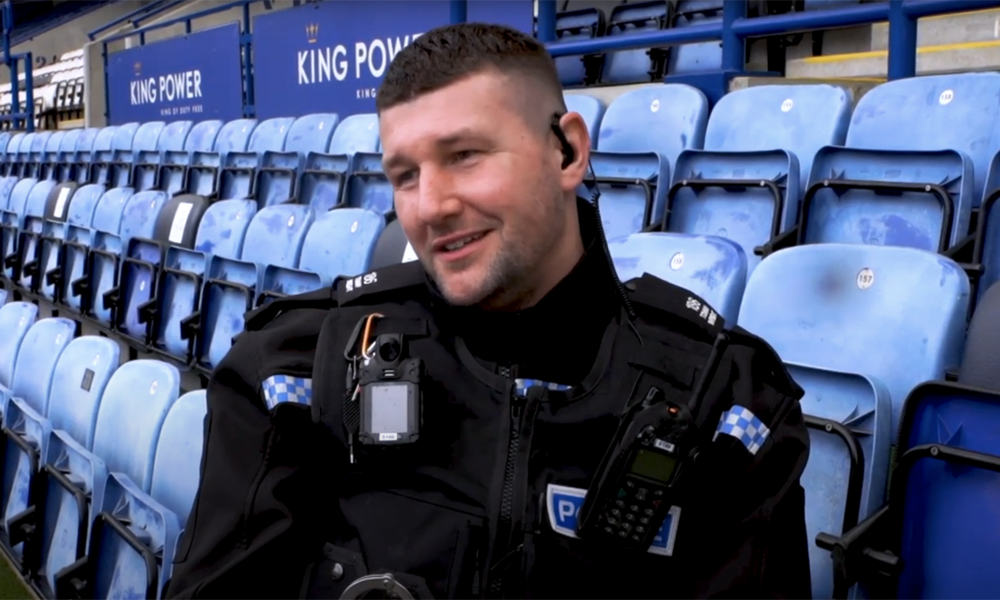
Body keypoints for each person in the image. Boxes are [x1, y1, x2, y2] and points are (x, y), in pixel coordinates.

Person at [165, 22, 811, 600]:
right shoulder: (293, 372)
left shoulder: (729, 408)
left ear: (568, 151)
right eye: (405, 175)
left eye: (464, 156)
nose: (430, 205)